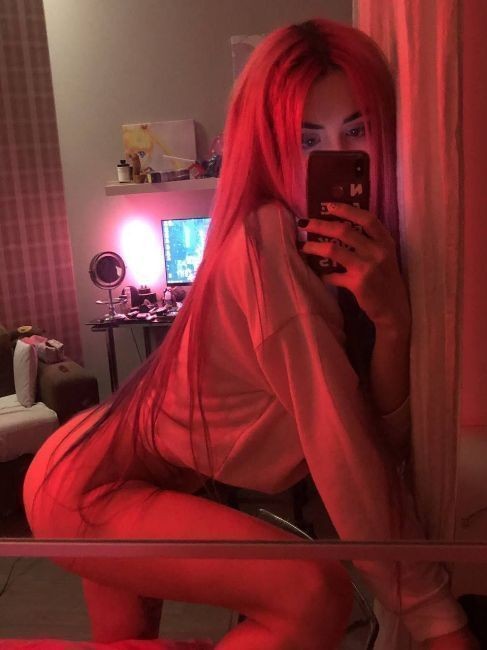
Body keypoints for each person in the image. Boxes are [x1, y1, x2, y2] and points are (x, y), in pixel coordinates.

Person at [23, 18, 479, 650]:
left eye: (358, 130)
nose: (334, 158)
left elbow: (383, 440)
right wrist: (440, 622)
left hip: (119, 474)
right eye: (306, 139)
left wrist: (392, 320)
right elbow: (347, 456)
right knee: (314, 596)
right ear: (269, 146)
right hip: (89, 483)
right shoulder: (266, 246)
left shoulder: (347, 254)